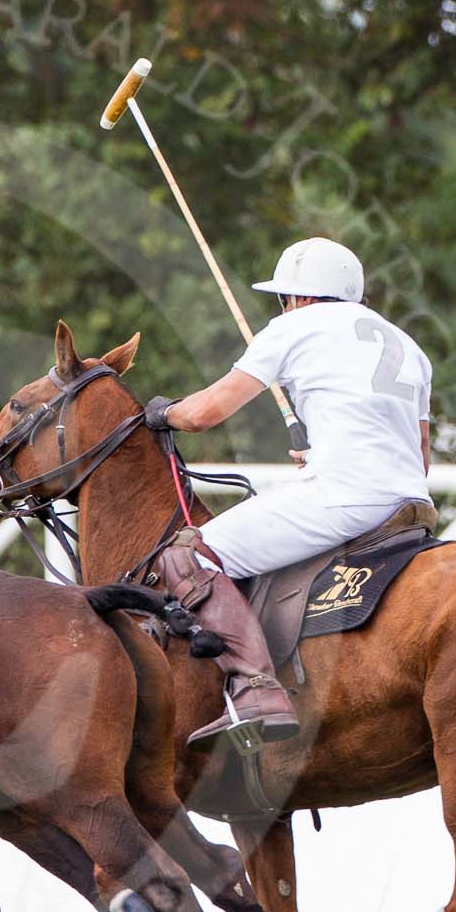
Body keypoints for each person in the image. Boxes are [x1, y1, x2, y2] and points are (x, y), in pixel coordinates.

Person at [140, 236, 434, 752]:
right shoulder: (407, 345)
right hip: (412, 505)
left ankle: (256, 691)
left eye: (284, 299)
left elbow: (207, 414)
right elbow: (420, 453)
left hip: (346, 498)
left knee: (188, 555)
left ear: (296, 298)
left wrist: (163, 412)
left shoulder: (292, 327)